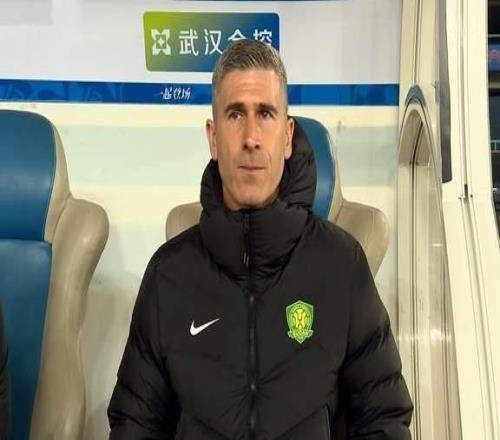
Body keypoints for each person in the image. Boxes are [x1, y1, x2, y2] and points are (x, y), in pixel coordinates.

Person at [108, 39, 413, 439]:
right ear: (213, 138)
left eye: (265, 114)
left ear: (287, 136)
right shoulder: (169, 275)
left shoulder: (341, 265)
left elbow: (385, 418)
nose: (251, 137)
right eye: (235, 114)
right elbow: (135, 424)